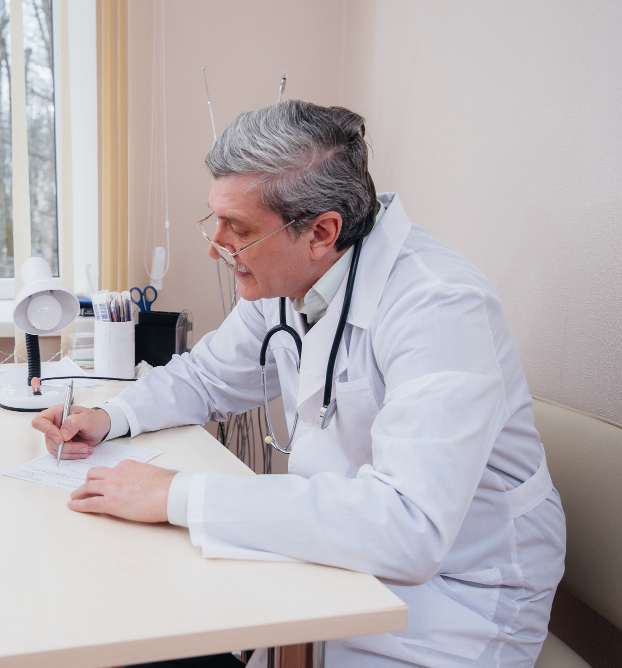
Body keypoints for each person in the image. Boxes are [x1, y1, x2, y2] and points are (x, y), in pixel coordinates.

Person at [33, 101, 566, 667]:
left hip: (454, 600)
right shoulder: (289, 280)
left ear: (321, 231)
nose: (215, 246)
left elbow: (411, 527)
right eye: (214, 219)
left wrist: (175, 494)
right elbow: (207, 374)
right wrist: (111, 416)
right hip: (334, 564)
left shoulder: (440, 306)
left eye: (237, 228)